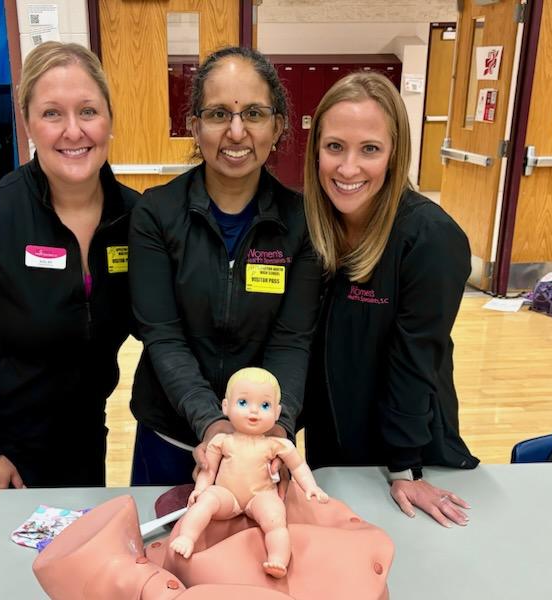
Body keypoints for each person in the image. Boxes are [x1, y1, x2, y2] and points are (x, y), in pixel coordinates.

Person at [0, 42, 140, 489]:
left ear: (110, 120)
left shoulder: (135, 219)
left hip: (82, 435)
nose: (73, 131)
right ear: (27, 124)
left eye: (88, 111)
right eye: (52, 114)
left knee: (76, 552)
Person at [128, 46, 321, 486]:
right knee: (160, 551)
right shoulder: (156, 213)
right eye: (218, 114)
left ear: (279, 126)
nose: (236, 132)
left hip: (261, 448)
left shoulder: (302, 222)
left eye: (253, 113)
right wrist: (211, 426)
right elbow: (163, 335)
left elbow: (292, 342)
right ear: (195, 127)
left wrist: (273, 429)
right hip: (171, 435)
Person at [301, 72, 479, 527]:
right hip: (333, 444)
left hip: (405, 453)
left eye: (370, 149)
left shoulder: (431, 239)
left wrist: (404, 466)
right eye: (335, 146)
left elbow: (415, 358)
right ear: (315, 149)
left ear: (395, 153)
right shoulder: (313, 228)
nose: (348, 168)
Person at [169, 367, 328, 578]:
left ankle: (278, 559)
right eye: (243, 403)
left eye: (264, 405)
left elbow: (298, 466)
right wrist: (200, 489)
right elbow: (208, 468)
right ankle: (187, 538)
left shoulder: (277, 445)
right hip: (227, 495)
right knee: (205, 502)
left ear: (277, 413)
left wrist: (311, 487)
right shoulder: (221, 441)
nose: (254, 411)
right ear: (225, 406)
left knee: (275, 519)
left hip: (260, 495)